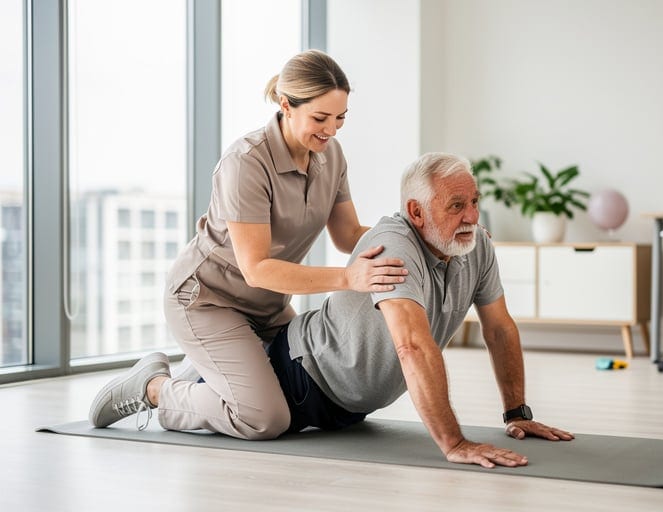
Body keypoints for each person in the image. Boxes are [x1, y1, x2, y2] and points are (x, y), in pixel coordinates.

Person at [90, 151, 573, 468]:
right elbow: (411, 344)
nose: (471, 216)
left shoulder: (475, 246)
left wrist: (517, 410)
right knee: (257, 422)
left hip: (345, 405)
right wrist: (454, 443)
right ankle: (154, 388)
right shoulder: (395, 249)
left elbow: (500, 328)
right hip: (302, 378)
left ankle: (194, 373)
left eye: (474, 202)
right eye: (456, 205)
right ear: (417, 211)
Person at [88, 49, 407, 438]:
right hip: (208, 301)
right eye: (320, 118)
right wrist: (349, 278)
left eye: (340, 118)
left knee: (307, 388)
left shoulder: (332, 156)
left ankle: (204, 383)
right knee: (265, 418)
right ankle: (154, 390)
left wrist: (414, 236)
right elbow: (256, 269)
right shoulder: (247, 162)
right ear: (287, 105)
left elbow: (348, 235)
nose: (332, 130)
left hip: (268, 307)